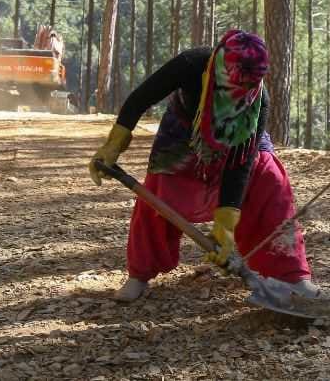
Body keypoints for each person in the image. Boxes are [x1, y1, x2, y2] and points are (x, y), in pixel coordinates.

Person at [87, 29, 317, 302]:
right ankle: (139, 273)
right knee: (161, 187)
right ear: (218, 69)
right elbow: (140, 98)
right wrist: (114, 144)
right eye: (232, 87)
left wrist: (225, 222)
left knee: (270, 180)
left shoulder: (259, 102)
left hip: (238, 143)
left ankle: (292, 275)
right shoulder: (193, 63)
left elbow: (240, 163)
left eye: (246, 89)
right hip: (185, 132)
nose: (237, 97)